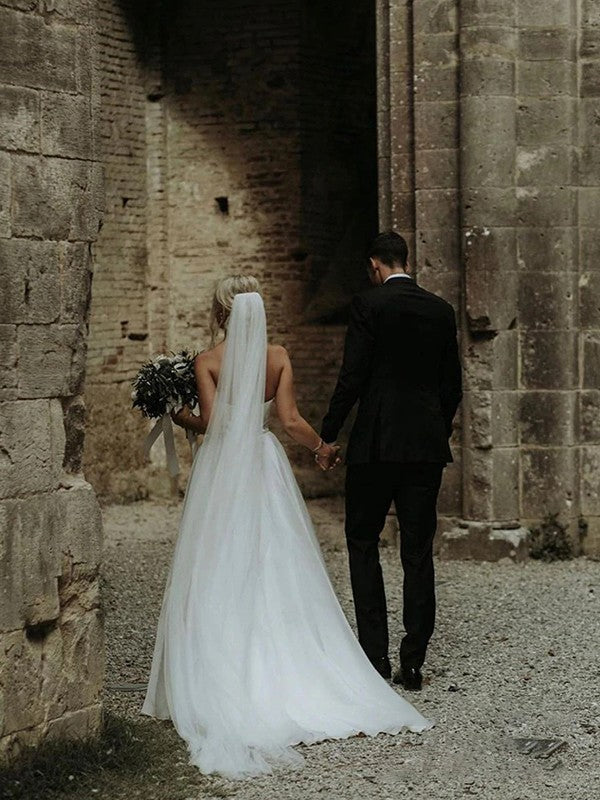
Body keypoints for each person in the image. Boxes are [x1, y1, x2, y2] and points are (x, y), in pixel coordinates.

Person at [140, 275, 432, 779]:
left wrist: (176, 414)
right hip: (263, 460)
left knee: (217, 561)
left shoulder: (208, 361)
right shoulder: (277, 356)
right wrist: (322, 448)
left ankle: (218, 666)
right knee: (276, 559)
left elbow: (211, 424)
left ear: (221, 313)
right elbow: (291, 420)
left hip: (222, 471)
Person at [320, 231, 462, 691]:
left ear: (375, 265)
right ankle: (414, 661)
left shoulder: (368, 305)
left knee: (363, 540)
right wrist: (435, 430)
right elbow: (451, 387)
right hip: (424, 447)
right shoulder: (441, 310)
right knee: (418, 551)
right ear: (405, 260)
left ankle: (376, 657)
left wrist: (327, 433)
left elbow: (353, 377)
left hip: (376, 446)